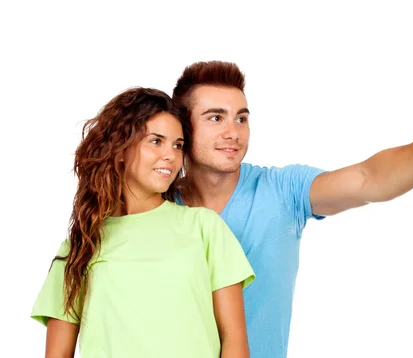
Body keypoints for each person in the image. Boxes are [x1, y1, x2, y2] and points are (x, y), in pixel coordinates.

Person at [171, 61, 413, 358]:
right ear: (184, 127)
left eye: (241, 118)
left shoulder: (283, 190)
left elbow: (368, 178)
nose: (233, 132)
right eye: (216, 118)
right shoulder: (158, 205)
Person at [30, 87, 255, 358]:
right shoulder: (80, 248)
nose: (171, 155)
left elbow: (235, 342)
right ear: (121, 149)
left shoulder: (205, 228)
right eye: (156, 141)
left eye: (178, 145)